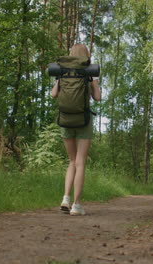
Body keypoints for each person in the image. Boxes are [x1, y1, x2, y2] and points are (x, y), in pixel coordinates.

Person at [51, 43, 101, 216]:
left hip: (65, 120)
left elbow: (54, 94)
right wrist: (95, 83)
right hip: (83, 121)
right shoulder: (89, 72)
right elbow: (98, 97)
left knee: (71, 161)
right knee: (80, 163)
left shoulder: (63, 71)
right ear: (86, 55)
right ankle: (76, 205)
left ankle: (65, 198)